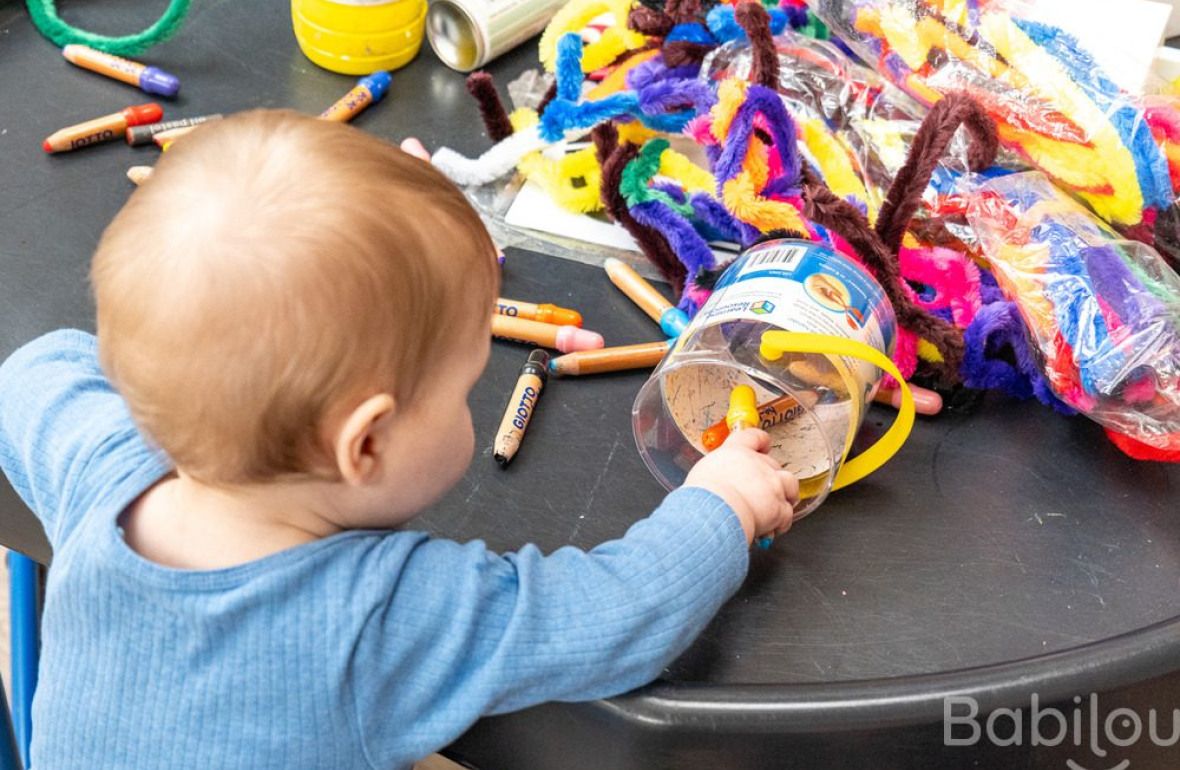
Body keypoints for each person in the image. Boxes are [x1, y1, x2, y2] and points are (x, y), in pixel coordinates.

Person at [0, 110, 798, 769]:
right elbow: (622, 618)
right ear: (365, 444)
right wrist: (723, 501)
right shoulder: (380, 618)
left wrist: (318, 253)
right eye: (460, 391)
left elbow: (31, 371)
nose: (469, 406)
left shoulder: (99, 467)